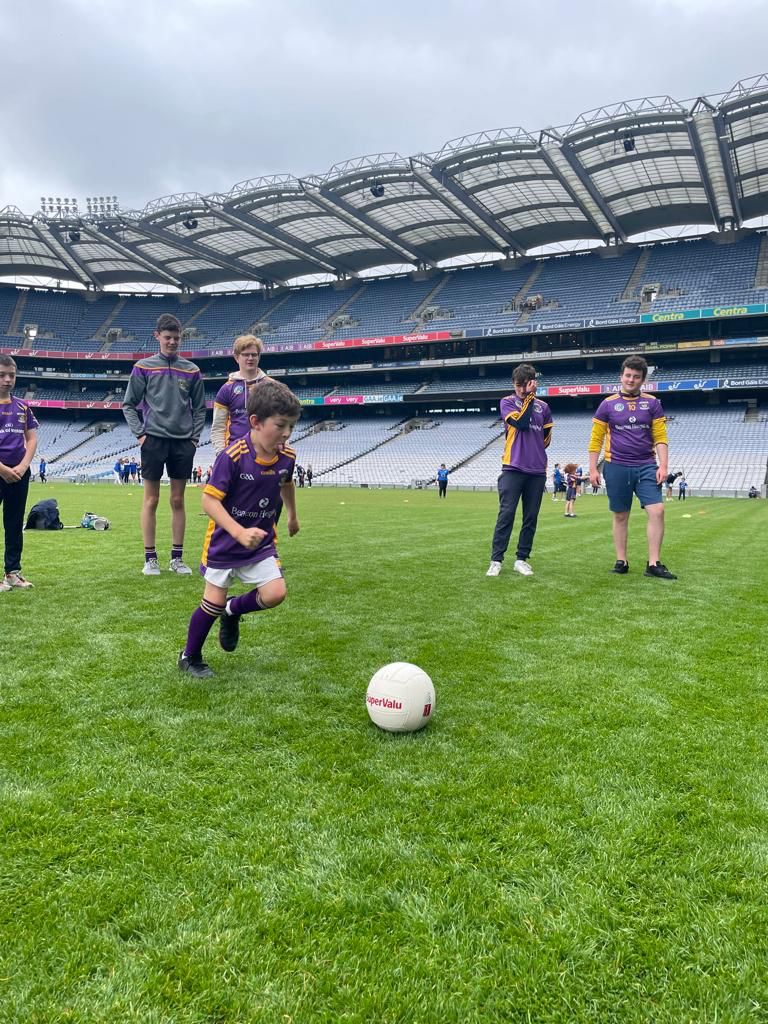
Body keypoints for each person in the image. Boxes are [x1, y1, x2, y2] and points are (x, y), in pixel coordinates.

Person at [178, 380, 301, 678]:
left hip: (261, 541)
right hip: (224, 542)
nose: (286, 434)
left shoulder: (287, 456)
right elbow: (209, 501)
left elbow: (286, 484)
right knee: (212, 603)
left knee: (275, 593)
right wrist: (238, 532)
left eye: (291, 427)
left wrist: (292, 516)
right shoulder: (232, 456)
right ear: (256, 422)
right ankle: (189, 656)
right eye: (281, 425)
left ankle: (233, 611)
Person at [122, 313, 207, 576]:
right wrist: (141, 435)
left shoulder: (192, 370)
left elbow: (200, 408)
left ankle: (177, 559)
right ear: (157, 336)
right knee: (151, 500)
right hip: (153, 441)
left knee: (178, 500)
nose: (172, 342)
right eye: (168, 337)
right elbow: (128, 404)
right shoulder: (143, 367)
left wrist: (194, 439)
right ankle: (150, 559)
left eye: (176, 338)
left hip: (183, 443)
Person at [588, 354, 676, 579]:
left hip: (646, 465)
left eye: (636, 377)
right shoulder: (607, 405)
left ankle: (654, 563)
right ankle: (621, 560)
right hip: (616, 466)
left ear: (643, 379)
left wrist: (663, 466)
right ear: (621, 376)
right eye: (628, 375)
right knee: (620, 515)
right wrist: (592, 469)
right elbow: (596, 440)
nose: (631, 380)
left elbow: (660, 437)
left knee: (657, 510)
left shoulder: (653, 403)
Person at [486, 363, 553, 578]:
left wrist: (535, 452)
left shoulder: (544, 408)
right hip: (513, 467)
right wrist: (529, 398)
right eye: (518, 385)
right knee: (506, 514)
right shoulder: (507, 402)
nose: (522, 390)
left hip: (536, 470)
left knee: (530, 517)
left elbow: (546, 439)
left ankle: (521, 559)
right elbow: (521, 424)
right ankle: (496, 560)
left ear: (533, 383)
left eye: (526, 385)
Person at [0, 355, 38, 591]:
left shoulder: (23, 407)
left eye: (11, 375)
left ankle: (12, 573)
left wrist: (23, 467)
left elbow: (31, 438)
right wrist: (2, 470)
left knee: (14, 524)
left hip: (18, 473)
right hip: (2, 470)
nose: (7, 380)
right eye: (2, 375)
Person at [210, 335, 271, 454]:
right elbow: (218, 427)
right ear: (236, 357)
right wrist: (221, 454)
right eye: (245, 354)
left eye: (254, 354)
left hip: (265, 453)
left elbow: (281, 421)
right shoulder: (226, 389)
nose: (250, 358)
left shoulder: (272, 386)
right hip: (235, 453)